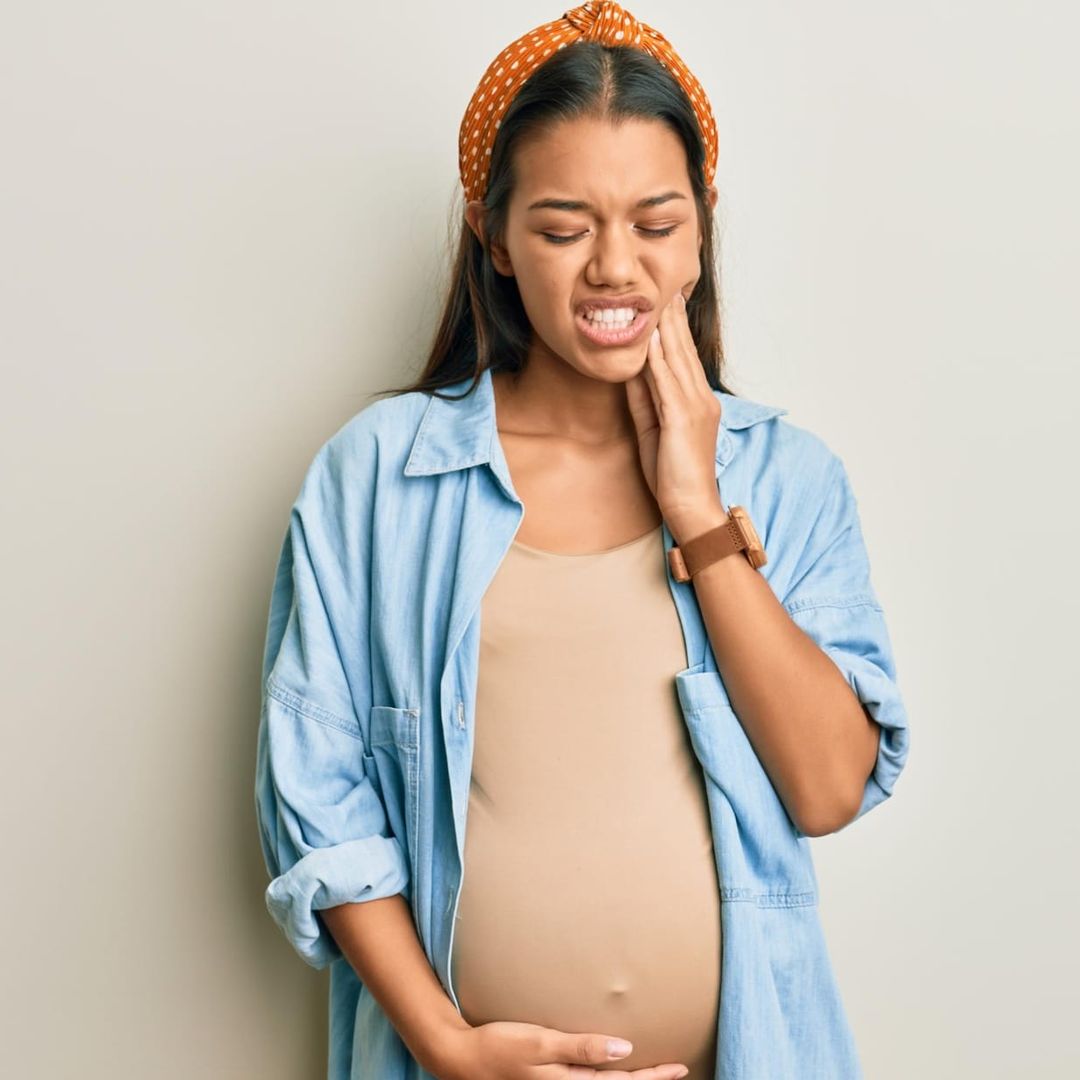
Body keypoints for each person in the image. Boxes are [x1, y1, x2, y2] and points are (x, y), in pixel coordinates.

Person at [253, 4, 911, 1079]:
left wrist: (698, 513)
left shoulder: (788, 480)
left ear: (701, 229)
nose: (615, 268)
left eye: (656, 225)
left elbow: (830, 788)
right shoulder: (376, 476)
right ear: (494, 234)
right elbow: (319, 802)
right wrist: (453, 1050)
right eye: (564, 229)